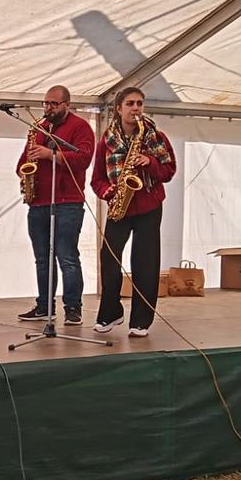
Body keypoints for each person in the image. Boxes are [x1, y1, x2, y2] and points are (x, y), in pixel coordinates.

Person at [90, 87, 177, 338]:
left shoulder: (155, 137)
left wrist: (150, 162)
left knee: (145, 264)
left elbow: (168, 172)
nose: (136, 108)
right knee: (109, 259)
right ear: (119, 108)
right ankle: (110, 312)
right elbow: (97, 180)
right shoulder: (106, 141)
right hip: (120, 206)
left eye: (139, 103)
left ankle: (140, 322)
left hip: (149, 207)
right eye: (130, 103)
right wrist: (109, 193)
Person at [16, 85, 96, 326]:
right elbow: (21, 163)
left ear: (67, 105)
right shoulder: (38, 129)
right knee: (42, 259)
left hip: (68, 202)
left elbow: (83, 159)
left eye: (54, 104)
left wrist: (51, 155)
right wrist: (25, 171)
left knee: (67, 256)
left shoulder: (80, 127)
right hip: (38, 202)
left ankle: (73, 308)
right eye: (46, 103)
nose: (48, 108)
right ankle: (44, 306)